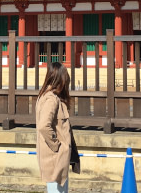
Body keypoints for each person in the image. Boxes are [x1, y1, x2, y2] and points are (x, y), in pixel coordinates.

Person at [35, 62, 80, 193]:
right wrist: (57, 145)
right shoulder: (51, 99)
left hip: (57, 156)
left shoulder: (48, 96)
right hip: (55, 156)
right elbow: (44, 126)